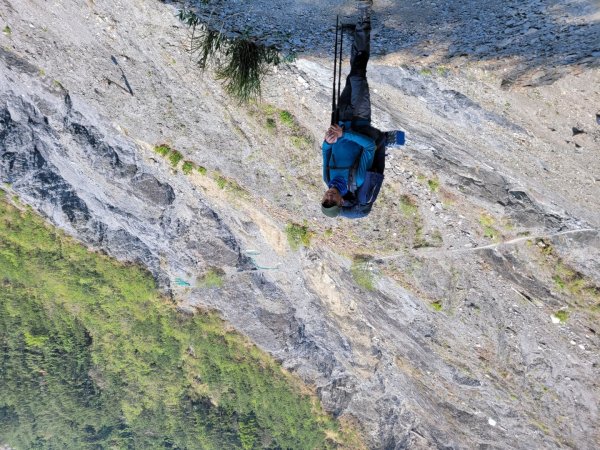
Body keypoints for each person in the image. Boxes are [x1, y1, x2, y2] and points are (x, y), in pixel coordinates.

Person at [321, 1, 386, 219]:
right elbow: (369, 148)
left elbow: (325, 152)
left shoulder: (326, 177)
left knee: (352, 76)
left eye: (325, 200)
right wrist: (344, 134)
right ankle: (364, 20)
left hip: (341, 118)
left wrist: (328, 139)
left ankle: (356, 38)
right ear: (341, 202)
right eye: (332, 202)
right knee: (358, 73)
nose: (329, 197)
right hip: (359, 118)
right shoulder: (355, 180)